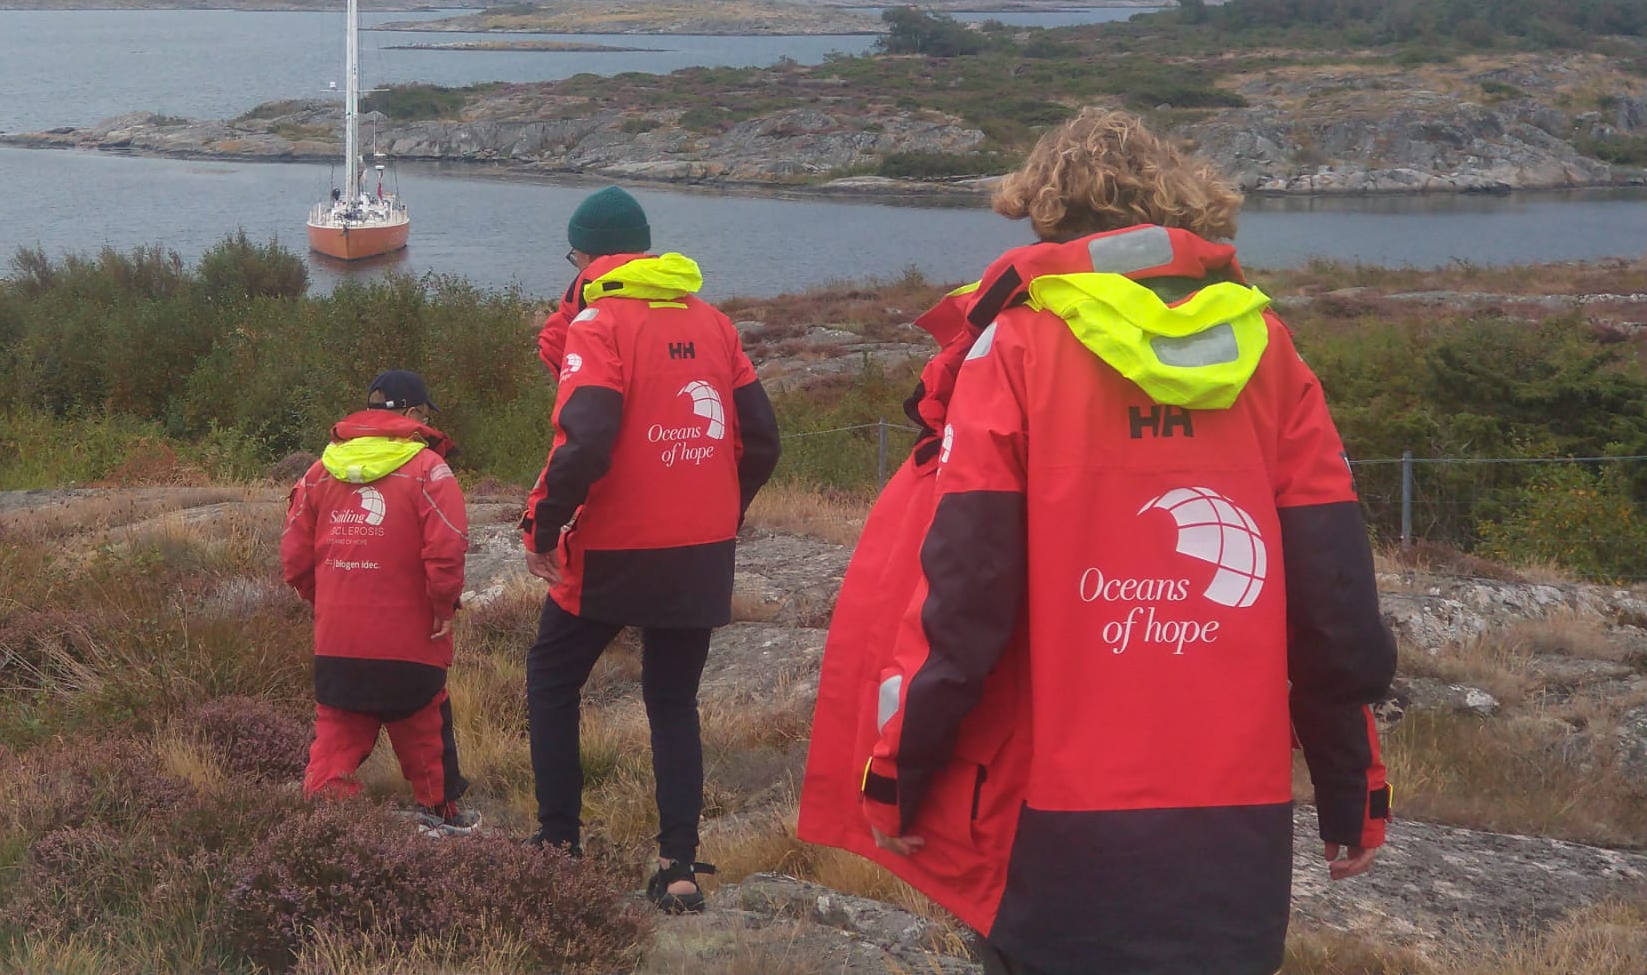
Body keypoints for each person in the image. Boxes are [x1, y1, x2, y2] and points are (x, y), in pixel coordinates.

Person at [799, 109, 1396, 975]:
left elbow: (965, 596)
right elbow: (1333, 605)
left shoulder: (1017, 345)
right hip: (1238, 831)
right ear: (1181, 200)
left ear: (1045, 211)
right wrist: (1353, 793)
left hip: (1056, 828)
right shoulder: (1267, 348)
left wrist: (899, 772)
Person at [523, 185, 782, 912]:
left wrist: (545, 530)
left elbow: (587, 441)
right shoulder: (714, 322)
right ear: (643, 248)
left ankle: (558, 843)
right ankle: (678, 868)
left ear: (581, 254)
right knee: (672, 701)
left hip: (615, 550)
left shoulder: (599, 323)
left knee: (551, 677)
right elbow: (761, 440)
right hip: (699, 550)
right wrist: (723, 511)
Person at [281, 369, 478, 833]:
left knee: (337, 733)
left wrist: (325, 600)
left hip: (338, 641)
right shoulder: (431, 471)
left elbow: (294, 558)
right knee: (424, 721)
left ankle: (330, 825)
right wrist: (441, 608)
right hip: (411, 639)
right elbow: (447, 549)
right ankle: (440, 813)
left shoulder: (317, 473)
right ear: (413, 415)